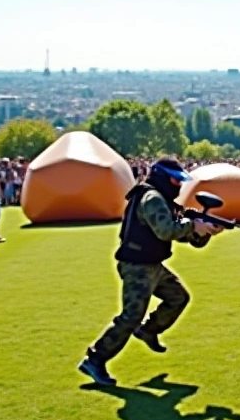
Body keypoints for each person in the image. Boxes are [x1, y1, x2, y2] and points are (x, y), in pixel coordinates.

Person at [78, 159, 227, 385]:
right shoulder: (152, 199)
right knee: (131, 316)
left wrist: (204, 231)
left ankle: (148, 331)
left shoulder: (163, 200)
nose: (178, 185)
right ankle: (95, 359)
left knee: (178, 297)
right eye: (175, 180)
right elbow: (166, 231)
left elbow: (189, 239)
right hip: (136, 265)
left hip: (153, 264)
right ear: (162, 176)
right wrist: (193, 225)